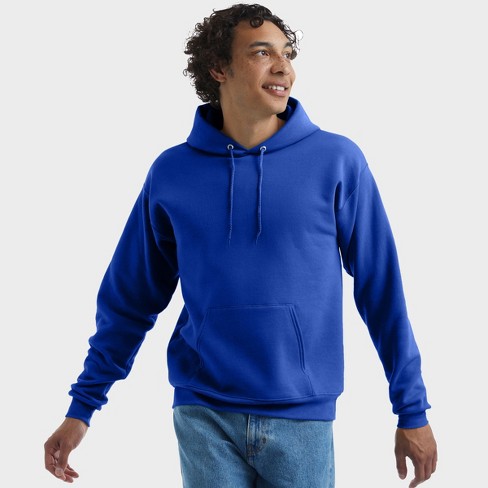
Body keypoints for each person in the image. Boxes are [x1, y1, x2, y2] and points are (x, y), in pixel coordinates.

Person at [44, 3, 437, 487]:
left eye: (287, 54)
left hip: (301, 416)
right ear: (219, 68)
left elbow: (382, 290)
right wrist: (82, 407)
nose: (284, 67)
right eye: (262, 53)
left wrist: (411, 409)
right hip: (203, 412)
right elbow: (129, 299)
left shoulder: (336, 161)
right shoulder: (172, 172)